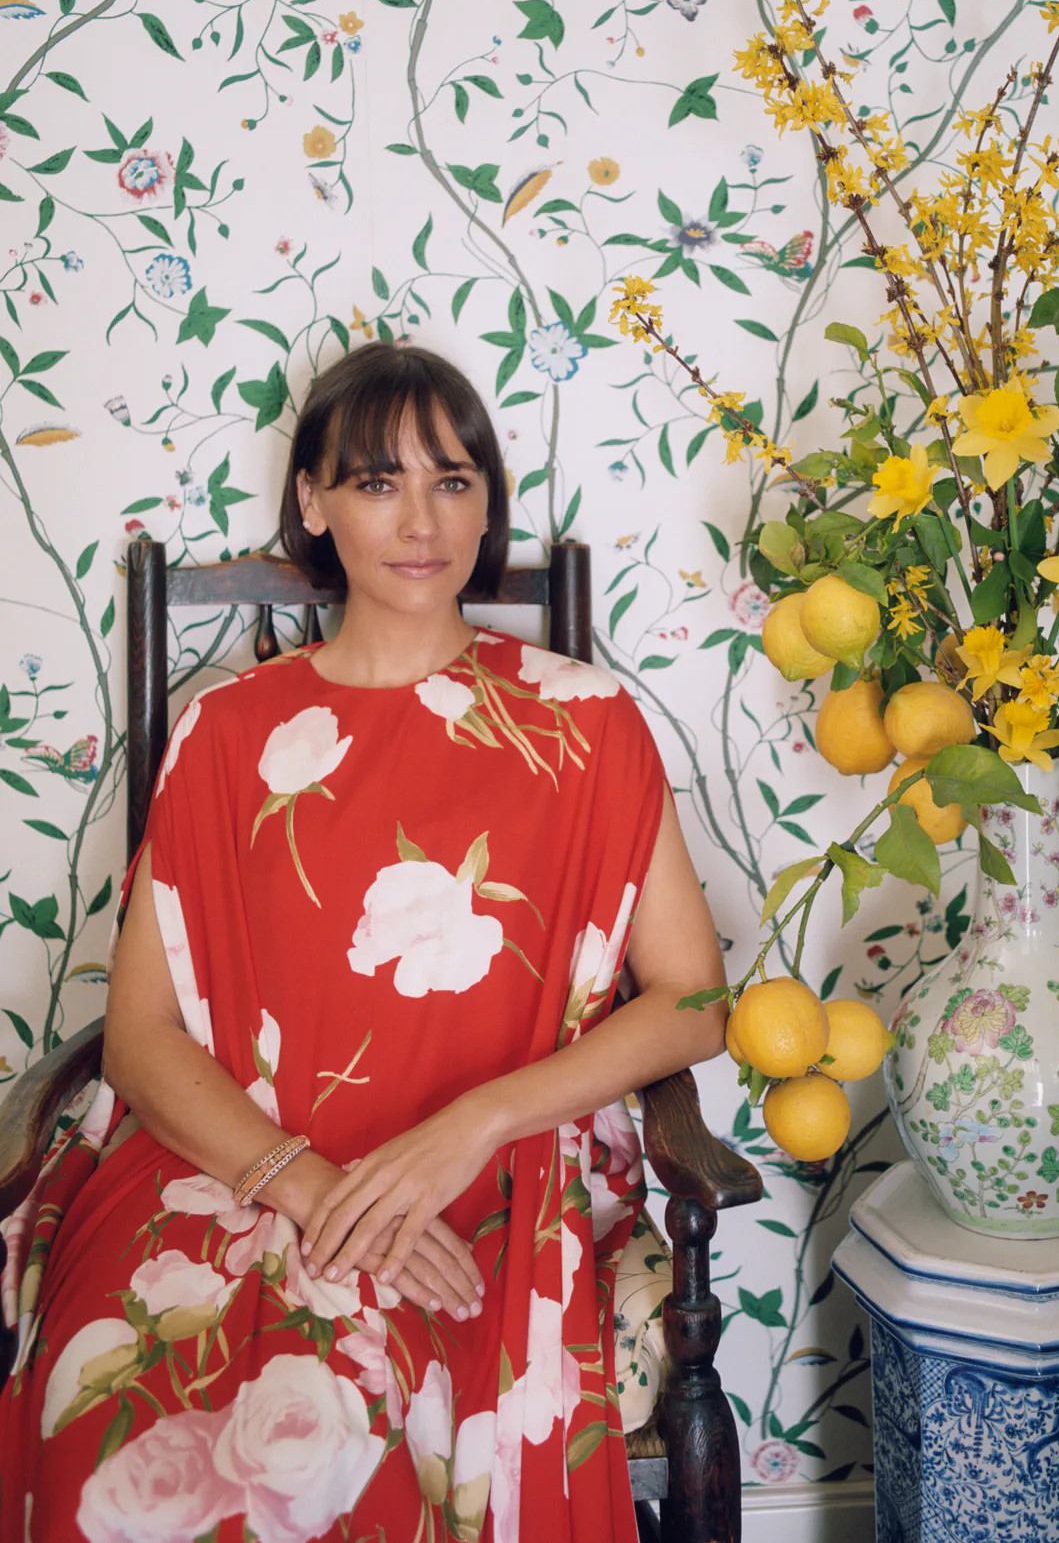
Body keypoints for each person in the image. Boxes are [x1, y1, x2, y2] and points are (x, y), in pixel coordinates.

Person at [0, 341, 728, 1542]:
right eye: (377, 481)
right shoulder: (229, 731)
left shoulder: (584, 721)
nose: (420, 520)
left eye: (452, 480)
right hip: (229, 1160)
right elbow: (138, 1039)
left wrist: (474, 1124)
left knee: (353, 1419)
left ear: (487, 500)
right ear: (313, 501)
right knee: (116, 1432)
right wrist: (310, 1187)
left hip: (492, 1179)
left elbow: (693, 1001)